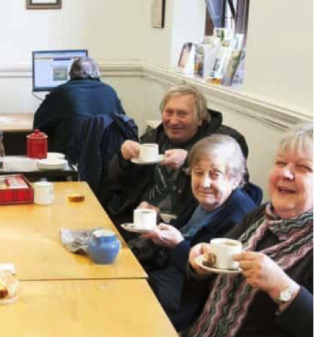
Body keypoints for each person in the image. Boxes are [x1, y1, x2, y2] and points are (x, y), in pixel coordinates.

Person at [186, 121, 314, 337]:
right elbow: (209, 281)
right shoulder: (260, 217)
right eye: (280, 162)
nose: (285, 172)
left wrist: (283, 289)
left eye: (304, 168)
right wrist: (201, 267)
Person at [133, 135, 256, 330]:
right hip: (160, 274)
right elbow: (184, 232)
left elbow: (211, 280)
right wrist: (157, 222)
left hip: (183, 301)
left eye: (215, 174)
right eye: (198, 173)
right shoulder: (203, 200)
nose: (204, 183)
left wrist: (177, 245)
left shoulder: (238, 218)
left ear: (235, 179)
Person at [106, 84, 249, 232]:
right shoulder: (154, 137)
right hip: (139, 219)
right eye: (169, 112)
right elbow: (117, 183)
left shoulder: (224, 142)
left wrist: (190, 160)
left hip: (182, 227)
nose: (173, 121)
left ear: (200, 118)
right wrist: (123, 160)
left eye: (182, 114)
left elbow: (238, 188)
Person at [33, 57, 125, 155]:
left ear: (71, 74)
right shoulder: (110, 91)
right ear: (97, 74)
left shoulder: (62, 92)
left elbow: (38, 126)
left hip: (73, 159)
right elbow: (123, 123)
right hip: (108, 158)